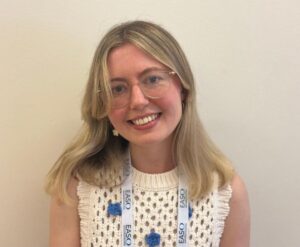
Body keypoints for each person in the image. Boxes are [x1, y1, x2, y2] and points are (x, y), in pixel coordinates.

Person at [45, 20, 250, 247]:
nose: (138, 101)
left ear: (182, 86)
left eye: (152, 79)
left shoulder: (226, 191)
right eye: (118, 89)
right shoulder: (76, 187)